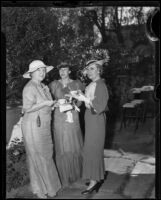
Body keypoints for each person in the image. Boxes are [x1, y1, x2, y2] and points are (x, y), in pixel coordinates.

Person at [21, 60, 61, 198]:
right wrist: (44, 103)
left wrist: (54, 104)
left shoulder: (43, 86)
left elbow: (47, 105)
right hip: (33, 126)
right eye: (39, 70)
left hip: (43, 125)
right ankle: (39, 190)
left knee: (47, 155)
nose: (42, 72)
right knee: (36, 156)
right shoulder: (29, 87)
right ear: (31, 73)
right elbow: (27, 108)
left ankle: (50, 187)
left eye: (43, 70)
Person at [71, 59, 109, 195]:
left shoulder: (100, 85)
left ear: (99, 70)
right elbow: (87, 102)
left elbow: (100, 106)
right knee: (91, 149)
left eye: (92, 68)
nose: (89, 71)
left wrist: (85, 99)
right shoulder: (91, 84)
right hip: (91, 119)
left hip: (96, 120)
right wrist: (77, 97)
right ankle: (95, 177)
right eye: (88, 69)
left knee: (93, 149)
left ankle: (94, 182)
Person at [49, 62, 84, 187]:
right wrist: (55, 104)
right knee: (61, 145)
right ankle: (63, 175)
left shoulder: (76, 84)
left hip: (72, 116)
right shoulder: (53, 85)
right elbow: (49, 101)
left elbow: (81, 101)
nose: (62, 72)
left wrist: (74, 103)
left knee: (73, 143)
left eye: (65, 69)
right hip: (58, 118)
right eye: (61, 70)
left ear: (69, 71)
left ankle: (75, 174)